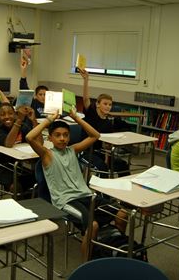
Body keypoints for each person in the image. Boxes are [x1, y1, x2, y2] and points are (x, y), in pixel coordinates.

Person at [26, 109, 127, 260]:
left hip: (86, 195)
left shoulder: (73, 150)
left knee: (122, 214)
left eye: (66, 135)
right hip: (65, 201)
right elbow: (29, 137)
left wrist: (75, 117)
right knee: (93, 226)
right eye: (58, 135)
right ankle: (87, 265)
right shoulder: (47, 154)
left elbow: (95, 136)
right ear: (50, 138)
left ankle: (115, 246)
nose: (62, 139)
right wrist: (49, 120)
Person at [78, 68, 129, 176]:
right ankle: (101, 192)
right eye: (105, 104)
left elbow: (107, 145)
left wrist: (107, 158)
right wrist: (86, 80)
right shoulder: (91, 112)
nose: (108, 106)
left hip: (100, 152)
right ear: (97, 104)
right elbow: (86, 99)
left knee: (123, 165)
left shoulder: (108, 123)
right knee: (102, 167)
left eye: (110, 105)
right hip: (86, 152)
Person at [0, 103, 40, 192]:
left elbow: (39, 143)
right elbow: (9, 143)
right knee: (16, 187)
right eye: (3, 114)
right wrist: (19, 120)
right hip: (3, 166)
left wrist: (34, 121)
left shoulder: (23, 127)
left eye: (10, 113)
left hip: (22, 164)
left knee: (40, 180)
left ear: (15, 114)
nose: (7, 117)